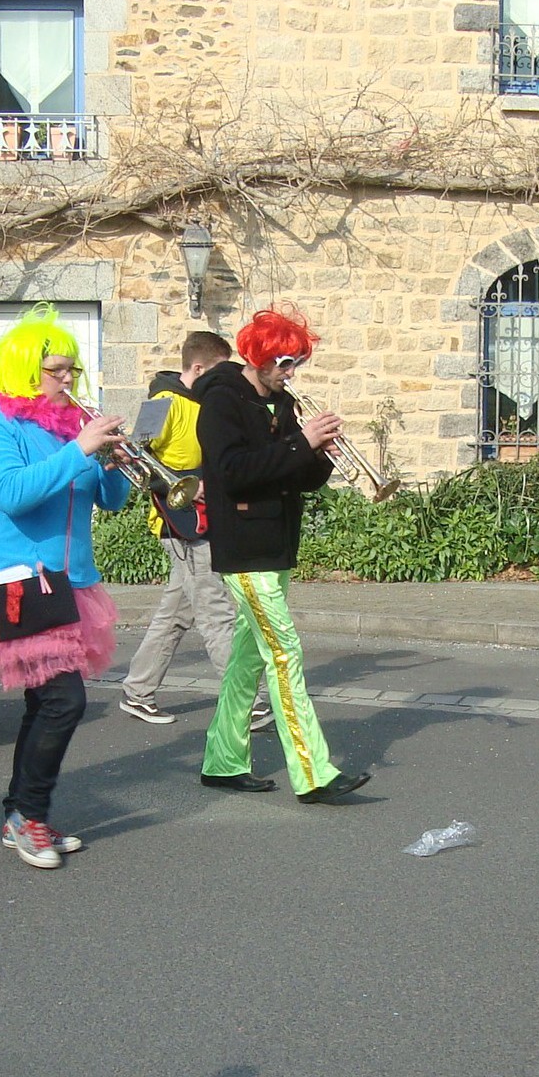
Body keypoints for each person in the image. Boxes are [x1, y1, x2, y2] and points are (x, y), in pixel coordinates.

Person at [0, 302, 131, 870]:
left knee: (45, 701)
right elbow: (14, 493)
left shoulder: (66, 428)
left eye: (70, 369)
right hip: (20, 580)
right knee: (64, 700)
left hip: (72, 581)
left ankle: (22, 813)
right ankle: (27, 816)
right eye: (55, 369)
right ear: (22, 370)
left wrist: (113, 462)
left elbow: (109, 500)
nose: (67, 379)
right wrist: (79, 450)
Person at [194, 307, 369, 803]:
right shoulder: (222, 401)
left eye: (297, 363)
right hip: (244, 547)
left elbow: (296, 477)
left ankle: (223, 761)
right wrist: (300, 444)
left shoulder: (282, 403)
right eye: (285, 363)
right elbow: (233, 473)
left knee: (247, 659)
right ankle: (313, 773)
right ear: (259, 358)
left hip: (276, 543)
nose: (291, 373)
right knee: (284, 651)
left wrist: (320, 454)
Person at [118, 330, 271, 731]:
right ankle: (248, 702)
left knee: (176, 613)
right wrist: (186, 483)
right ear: (199, 368)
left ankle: (137, 691)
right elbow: (132, 458)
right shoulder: (161, 404)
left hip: (205, 519)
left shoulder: (210, 403)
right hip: (182, 522)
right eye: (220, 371)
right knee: (216, 612)